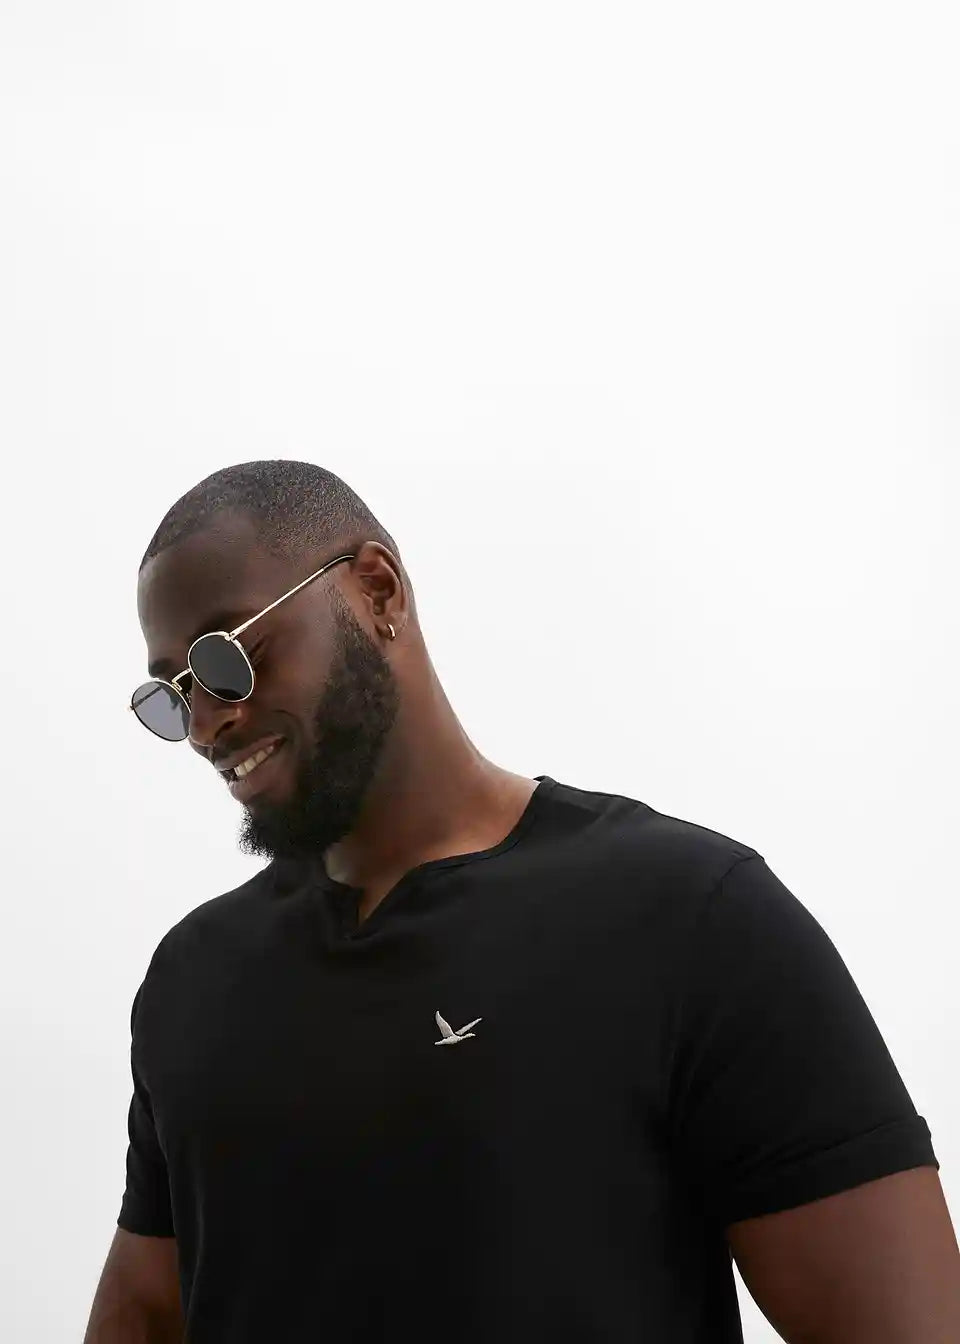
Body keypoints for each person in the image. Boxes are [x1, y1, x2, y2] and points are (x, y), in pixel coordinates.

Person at [84, 460, 960, 1343]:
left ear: (377, 590)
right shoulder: (194, 980)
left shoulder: (689, 916)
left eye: (226, 658)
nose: (207, 724)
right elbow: (147, 1311)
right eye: (174, 694)